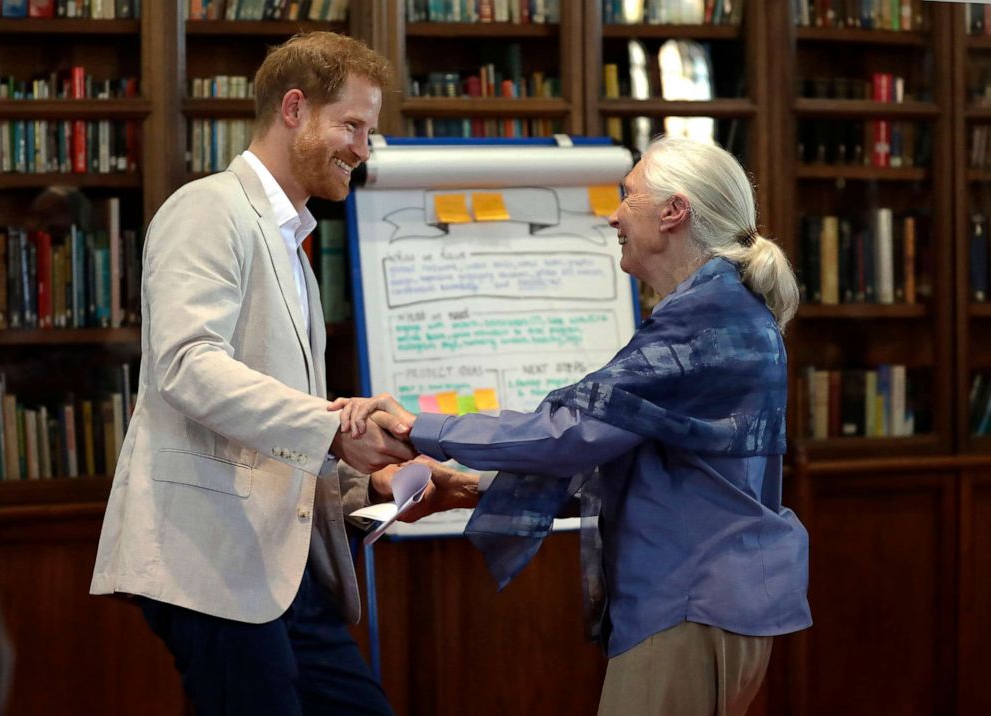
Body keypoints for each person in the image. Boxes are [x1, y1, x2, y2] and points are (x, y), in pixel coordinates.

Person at [333, 136, 813, 716]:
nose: (612, 214)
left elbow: (569, 432)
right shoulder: (722, 310)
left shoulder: (705, 320)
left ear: (673, 212)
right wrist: (466, 488)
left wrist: (417, 426)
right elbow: (628, 461)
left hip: (690, 600)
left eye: (627, 195)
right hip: (710, 598)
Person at [89, 32, 417, 715]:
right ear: (294, 108)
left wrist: (368, 474)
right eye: (352, 125)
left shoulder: (290, 238)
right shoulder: (208, 208)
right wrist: (332, 429)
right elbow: (186, 365)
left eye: (368, 131)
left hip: (280, 566)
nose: (363, 148)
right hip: (210, 560)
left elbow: (267, 408)